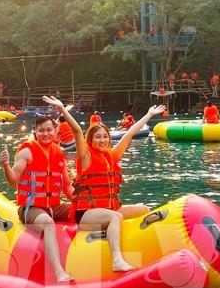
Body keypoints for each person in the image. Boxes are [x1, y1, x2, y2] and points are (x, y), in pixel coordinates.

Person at [48, 95, 163, 274]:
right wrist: (62, 109)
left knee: (144, 210)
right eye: (98, 137)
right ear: (90, 140)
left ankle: (150, 251)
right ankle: (117, 260)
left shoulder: (111, 155)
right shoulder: (85, 157)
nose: (102, 140)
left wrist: (149, 115)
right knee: (115, 217)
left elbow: (130, 133)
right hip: (86, 214)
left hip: (107, 208)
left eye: (105, 137)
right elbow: (77, 131)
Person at [0, 111, 75, 283]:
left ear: (55, 131)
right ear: (36, 132)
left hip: (54, 206)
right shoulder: (27, 152)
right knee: (48, 223)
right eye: (41, 130)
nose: (45, 134)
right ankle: (59, 272)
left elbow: (67, 187)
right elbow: (13, 180)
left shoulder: (58, 153)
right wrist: (5, 165)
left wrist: (81, 205)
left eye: (49, 130)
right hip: (30, 208)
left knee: (83, 211)